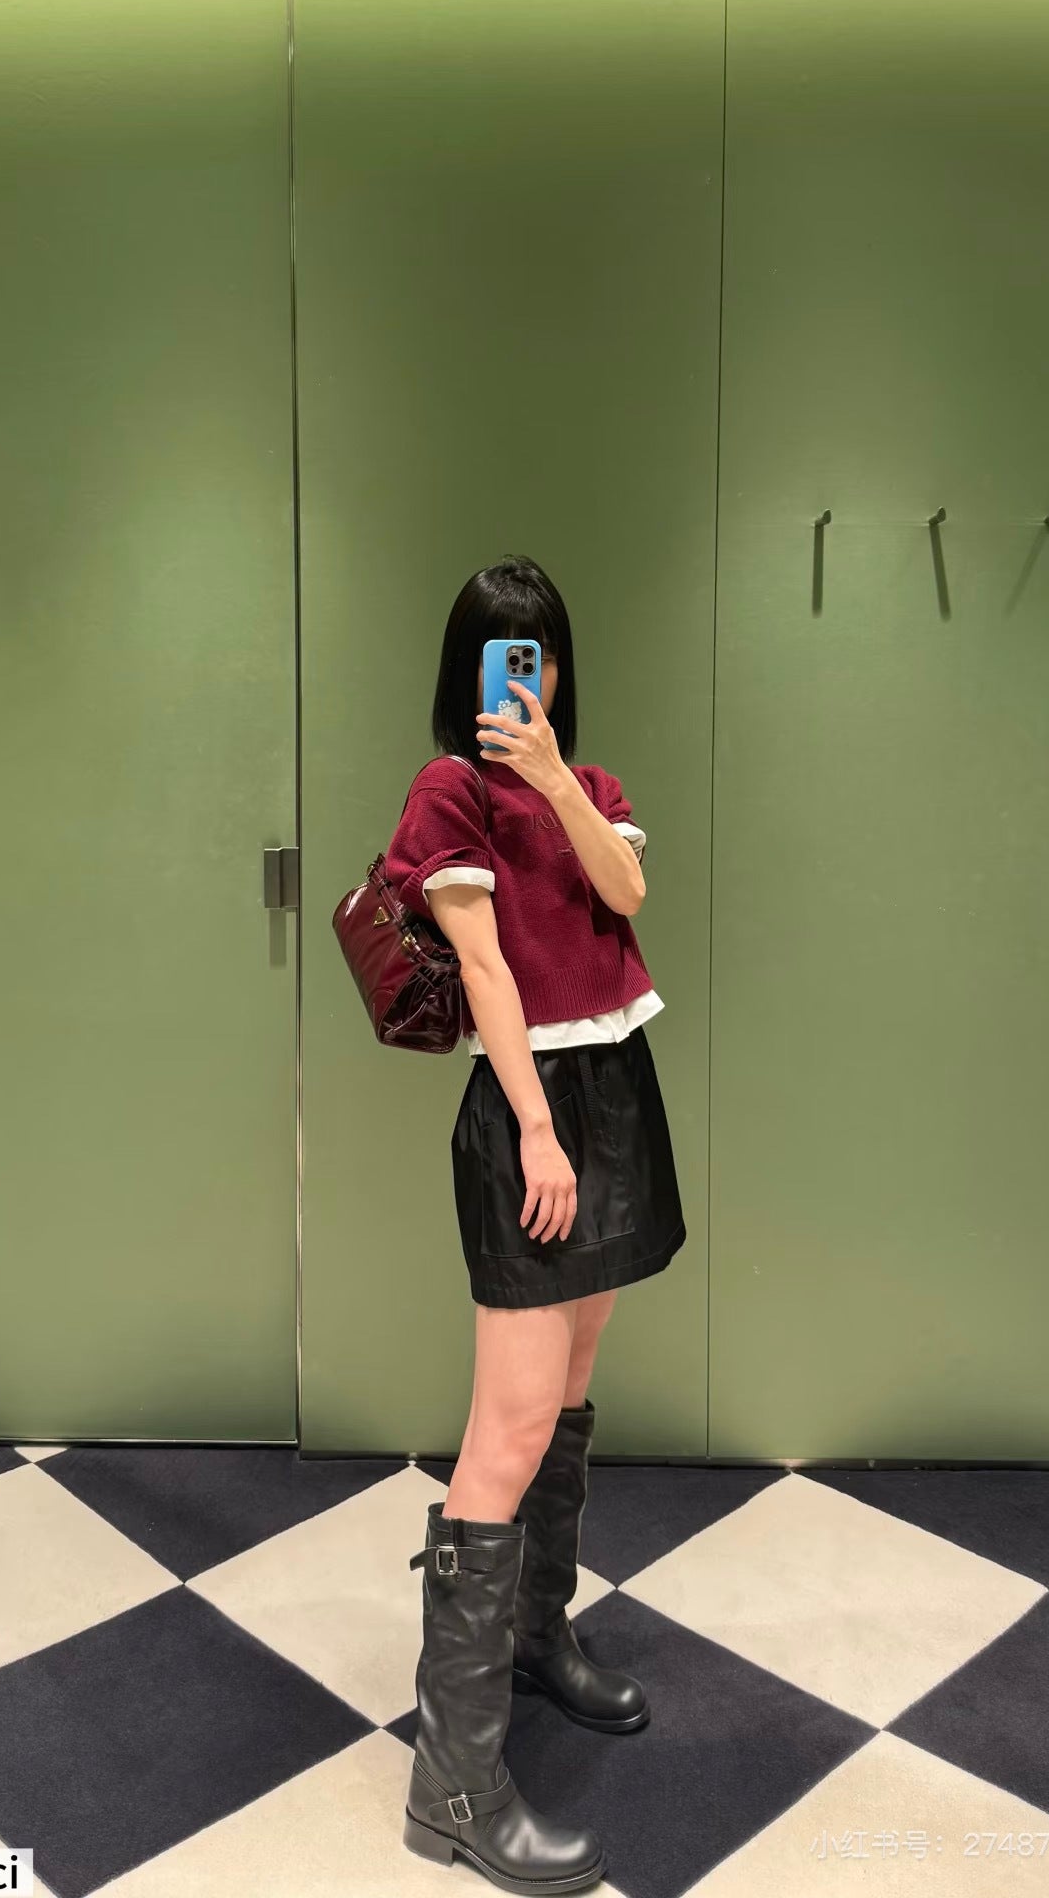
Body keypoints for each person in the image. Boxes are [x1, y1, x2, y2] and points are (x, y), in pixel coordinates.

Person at [384, 553, 686, 1893]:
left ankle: (534, 1637)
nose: (527, 673)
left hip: (615, 1089)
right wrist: (538, 1130)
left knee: (568, 1390)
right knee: (503, 1429)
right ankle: (451, 1787)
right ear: (470, 671)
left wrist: (559, 777)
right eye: (504, 651)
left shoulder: (590, 786)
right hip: (532, 1109)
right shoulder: (447, 793)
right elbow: (488, 969)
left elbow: (626, 898)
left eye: (542, 651)